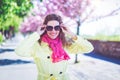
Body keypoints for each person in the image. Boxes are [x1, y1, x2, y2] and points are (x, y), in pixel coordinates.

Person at [15, 14, 94, 80]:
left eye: (56, 27)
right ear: (45, 28)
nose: (53, 31)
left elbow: (89, 48)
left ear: (60, 29)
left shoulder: (65, 44)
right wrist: (36, 34)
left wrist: (71, 34)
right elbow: (19, 51)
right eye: (49, 28)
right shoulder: (37, 45)